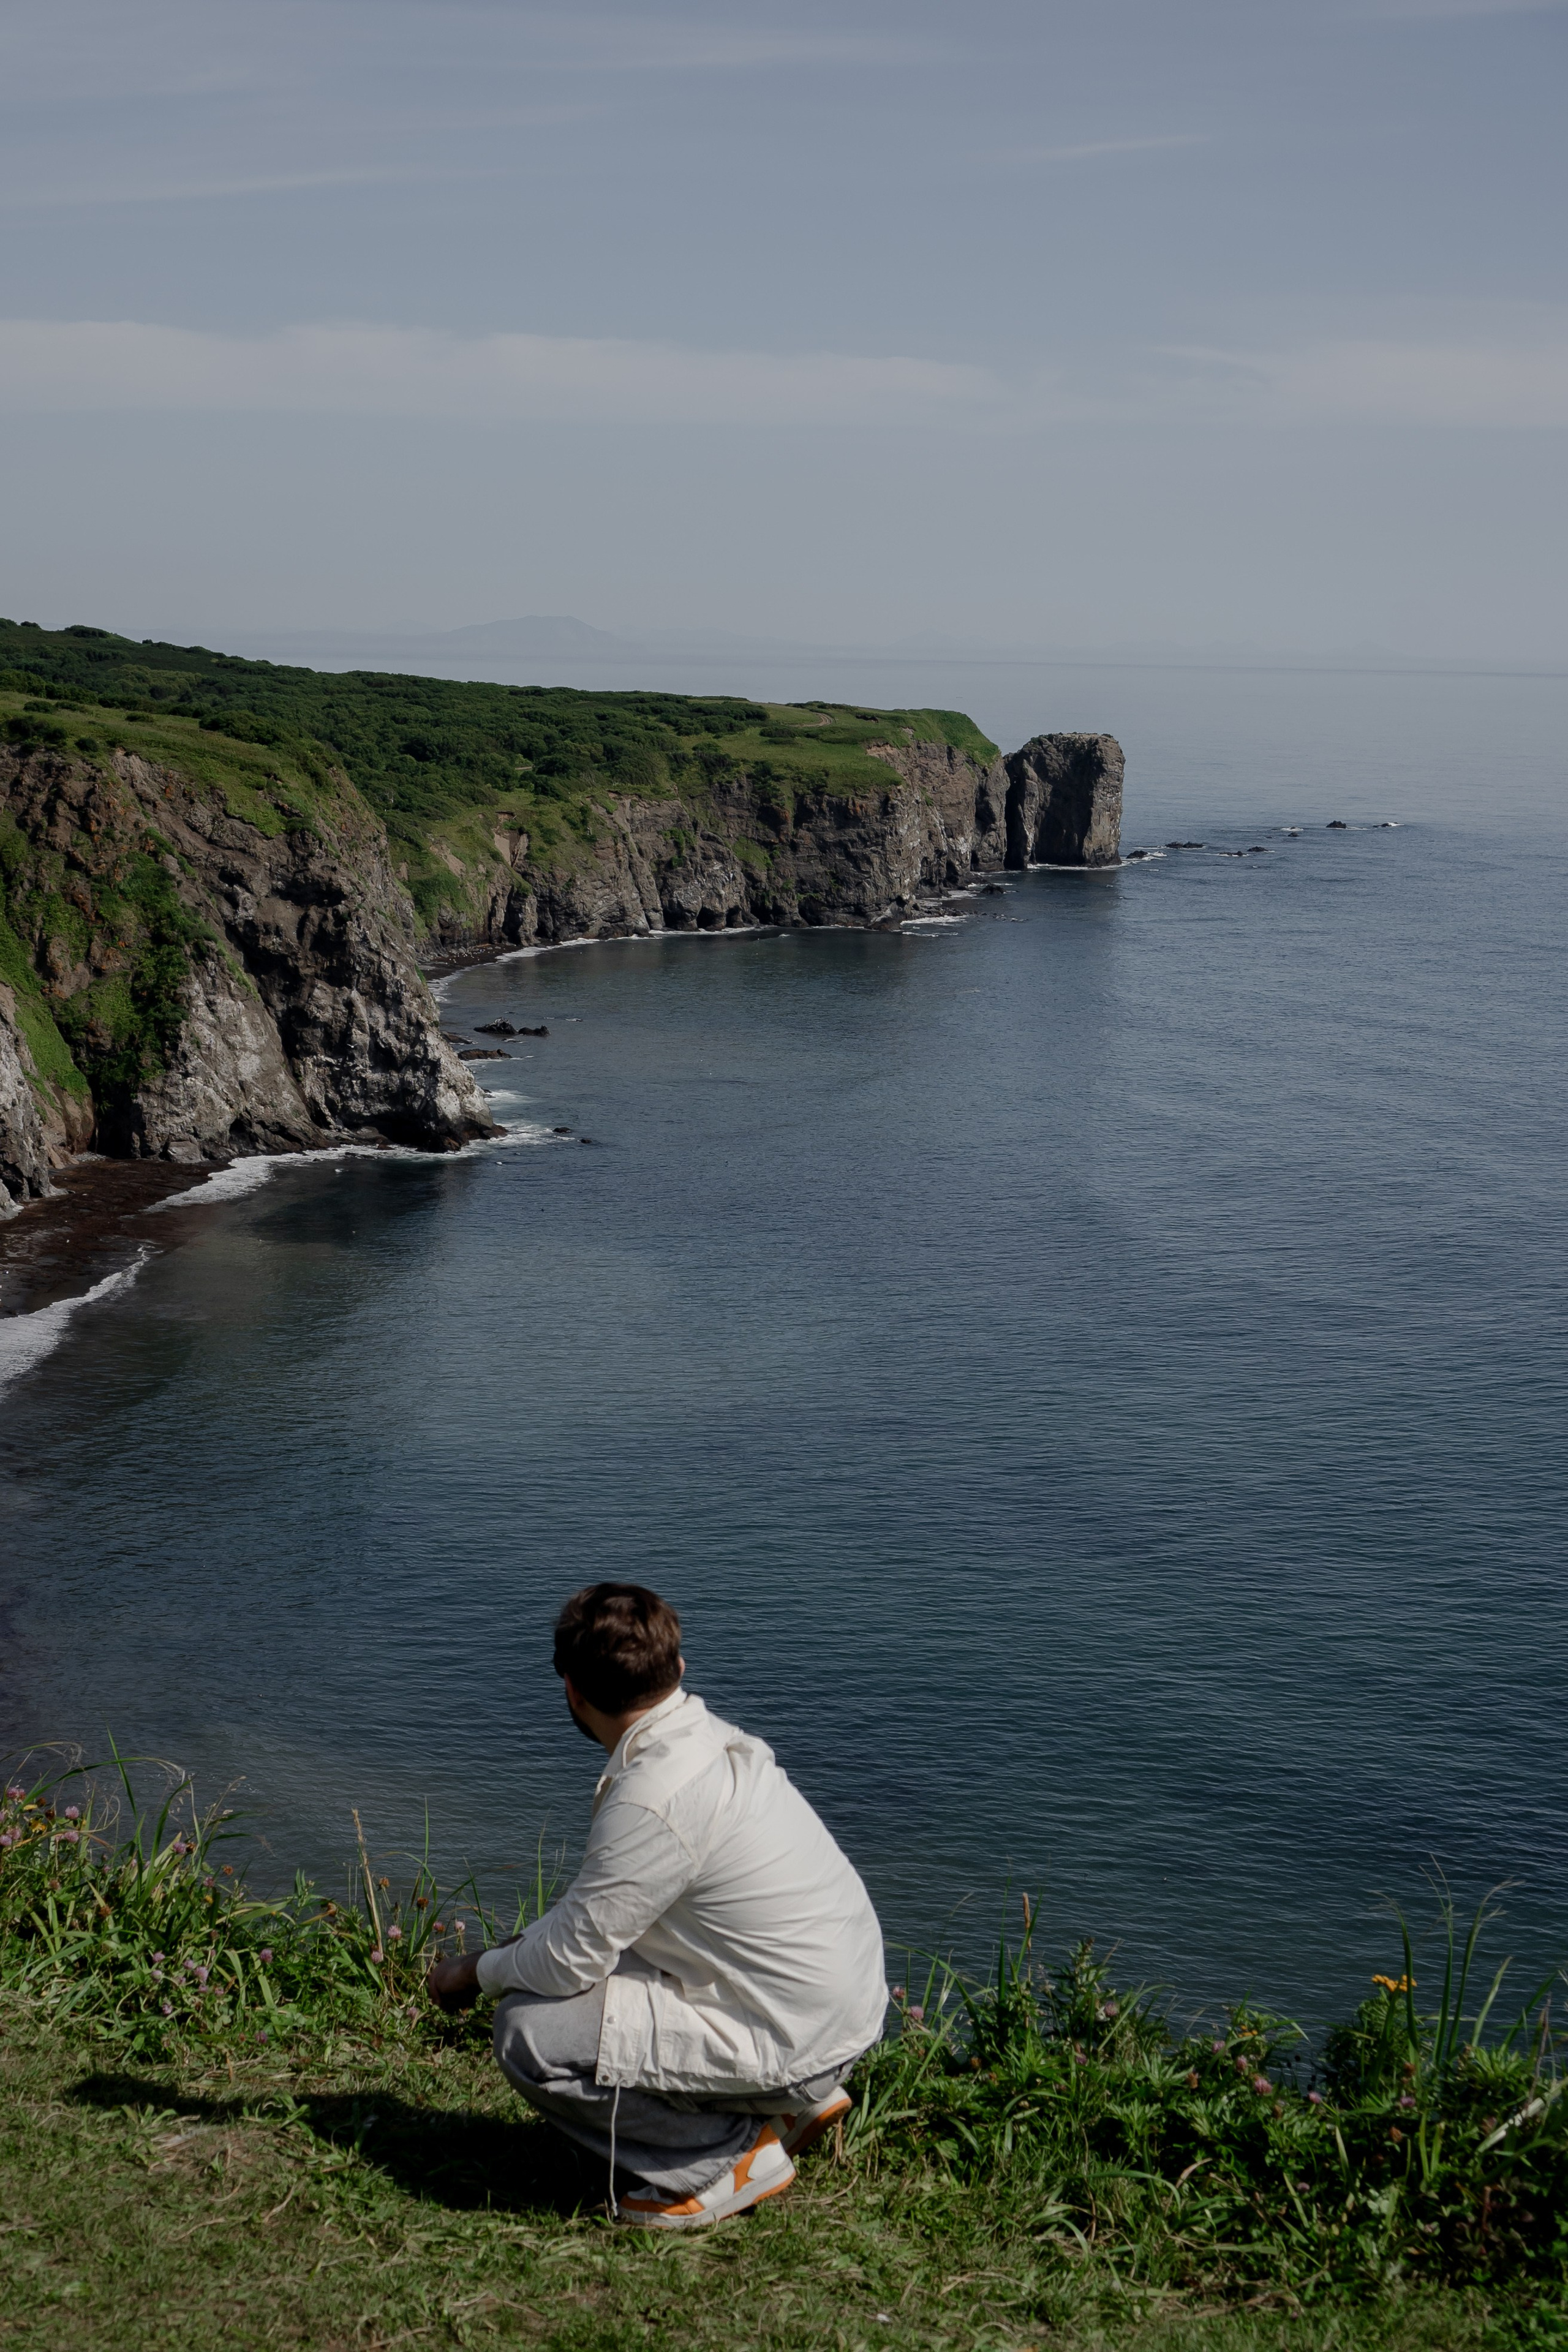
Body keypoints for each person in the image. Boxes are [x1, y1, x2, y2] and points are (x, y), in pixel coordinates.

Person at [426, 1581, 888, 2230]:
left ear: (572, 1692)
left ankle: (720, 2162)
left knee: (527, 2033)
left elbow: (565, 1963)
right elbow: (593, 1930)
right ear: (677, 1668)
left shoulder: (653, 1797)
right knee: (600, 1967)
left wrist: (470, 1972)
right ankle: (783, 2107)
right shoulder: (711, 1741)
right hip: (839, 2007)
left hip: (796, 2036)